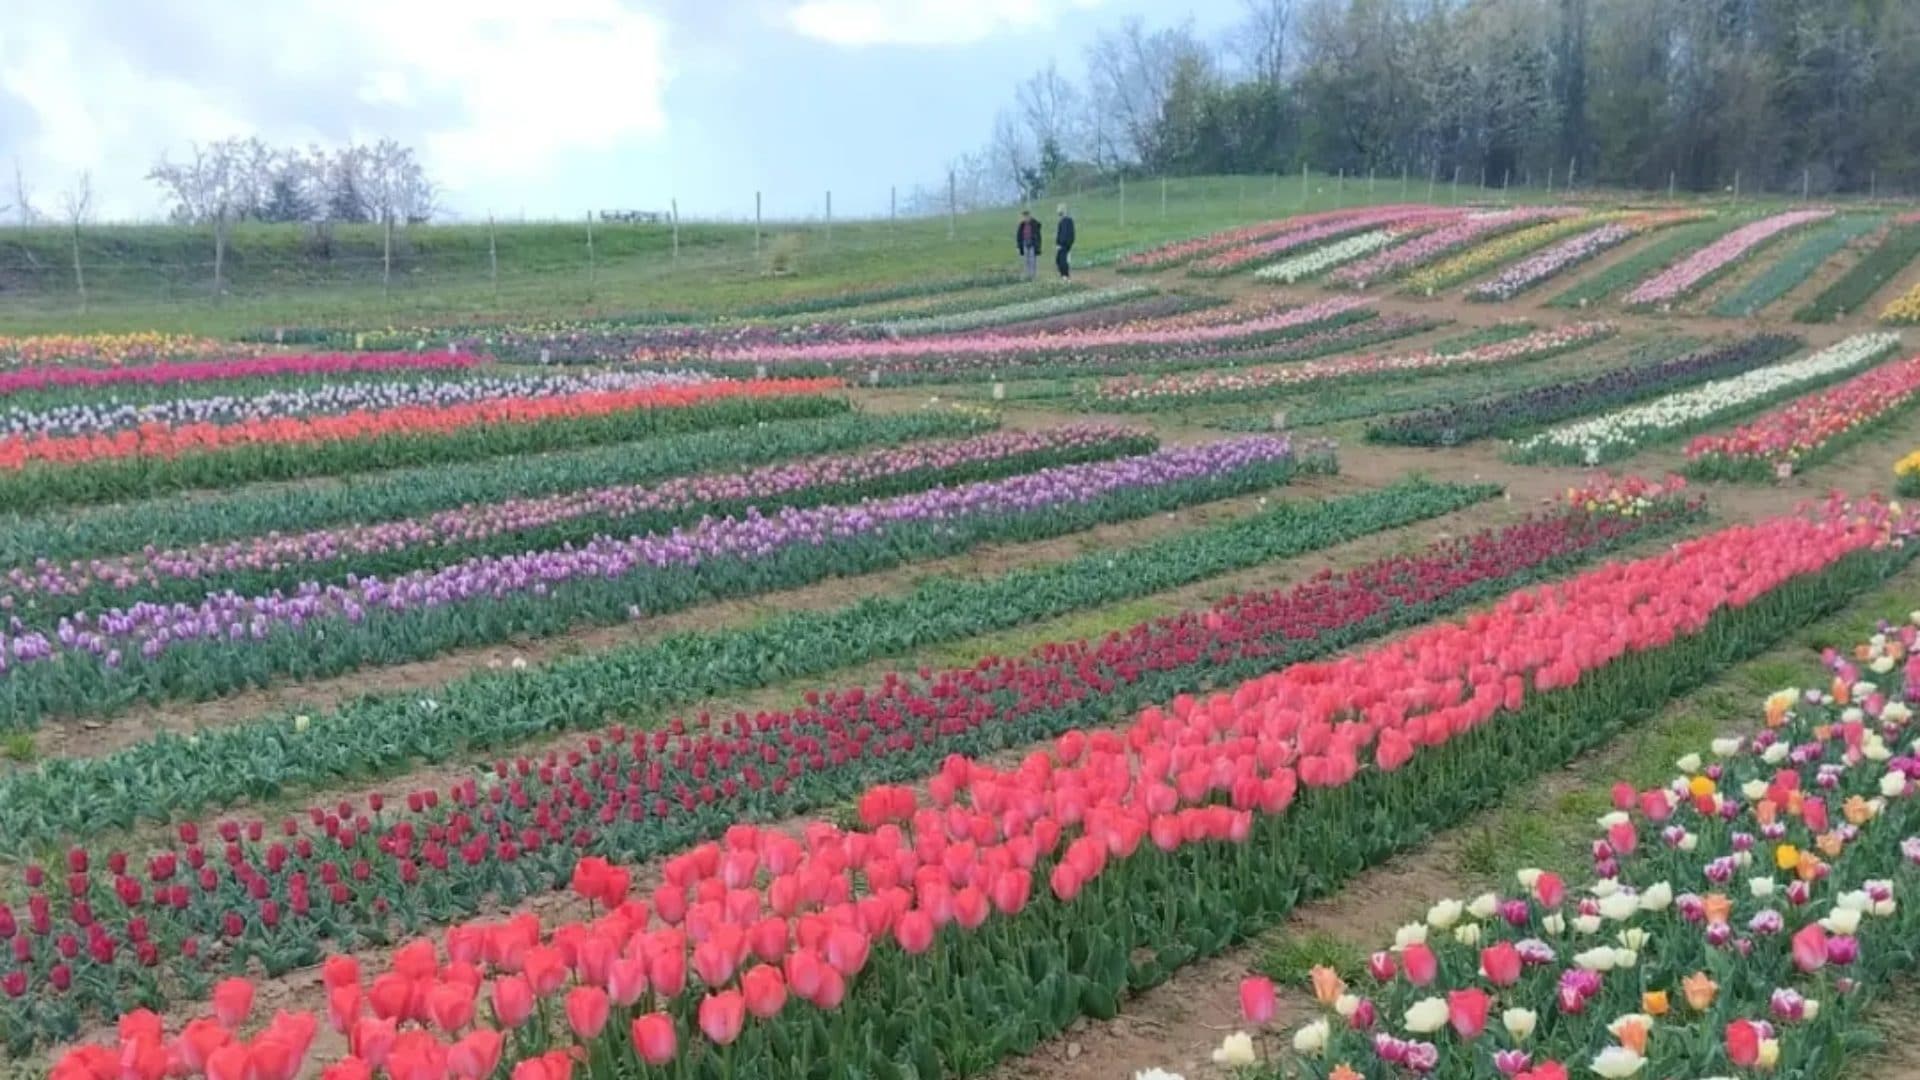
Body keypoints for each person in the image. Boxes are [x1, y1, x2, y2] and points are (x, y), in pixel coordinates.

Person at [1015, 210, 1043, 280]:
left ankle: (1033, 276)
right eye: (1024, 216)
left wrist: (1038, 245)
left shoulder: (1034, 224)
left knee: (1032, 261)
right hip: (1024, 244)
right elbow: (1018, 236)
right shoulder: (1021, 225)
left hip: (1032, 244)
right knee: (1026, 261)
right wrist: (1018, 246)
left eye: (1026, 216)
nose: (1025, 218)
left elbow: (1038, 230)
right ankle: (1027, 276)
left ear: (1029, 216)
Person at [1054, 204, 1075, 279]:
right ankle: (1063, 276)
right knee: (1058, 261)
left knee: (1063, 261)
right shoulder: (1061, 222)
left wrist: (1068, 244)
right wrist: (1057, 244)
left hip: (1066, 245)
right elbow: (1059, 234)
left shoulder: (1069, 221)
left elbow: (1071, 234)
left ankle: (1066, 276)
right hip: (1060, 245)